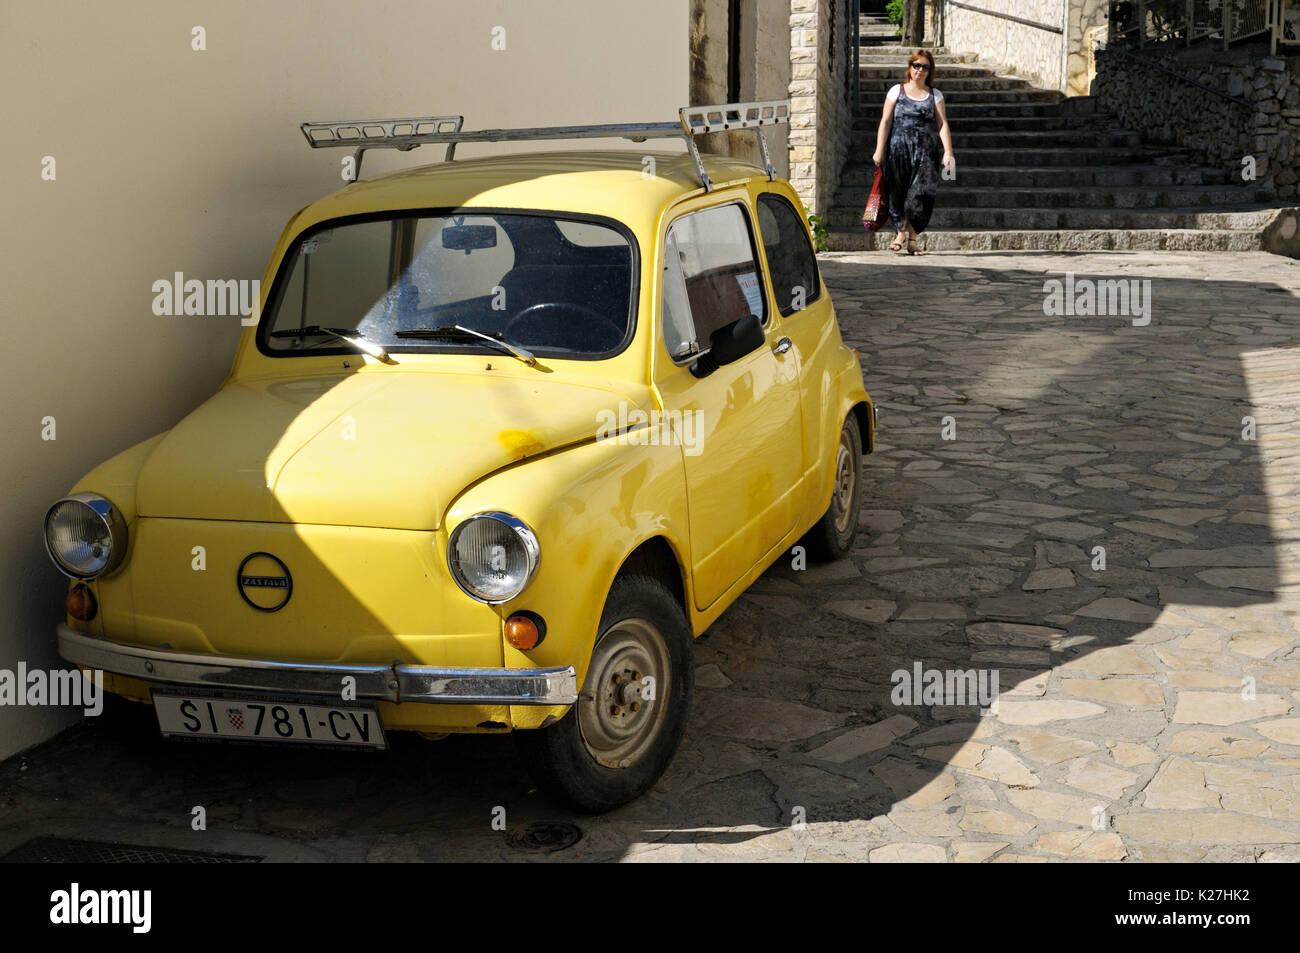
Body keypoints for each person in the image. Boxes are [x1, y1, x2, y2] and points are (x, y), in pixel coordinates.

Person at [871, 49, 955, 255]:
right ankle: (899, 233)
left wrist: (948, 152)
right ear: (910, 68)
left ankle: (913, 240)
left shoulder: (935, 95)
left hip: (927, 152)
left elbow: (942, 124)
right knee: (897, 192)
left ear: (929, 71)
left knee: (921, 195)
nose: (920, 70)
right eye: (916, 65)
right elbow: (886, 121)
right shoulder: (896, 91)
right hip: (898, 150)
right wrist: (879, 149)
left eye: (925, 67)